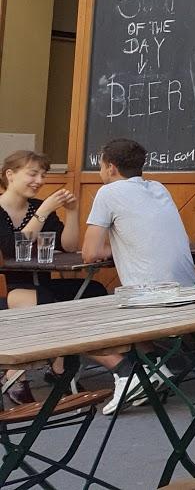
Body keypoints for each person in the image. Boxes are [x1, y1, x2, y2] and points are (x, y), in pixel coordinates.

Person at [83, 138, 195, 414]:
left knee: (73, 326)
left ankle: (127, 373)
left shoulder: (108, 194)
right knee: (127, 310)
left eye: (100, 165)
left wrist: (114, 246)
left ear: (110, 167)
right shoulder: (158, 188)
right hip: (189, 291)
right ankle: (157, 370)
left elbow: (89, 253)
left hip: (151, 297)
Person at [0, 150, 106, 404]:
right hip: (12, 289)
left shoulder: (37, 207)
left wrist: (72, 212)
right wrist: (45, 209)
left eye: (43, 175)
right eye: (32, 173)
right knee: (47, 302)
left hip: (41, 285)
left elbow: (67, 246)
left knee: (93, 290)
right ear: (10, 175)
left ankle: (59, 366)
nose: (39, 180)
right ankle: (32, 373)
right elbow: (12, 251)